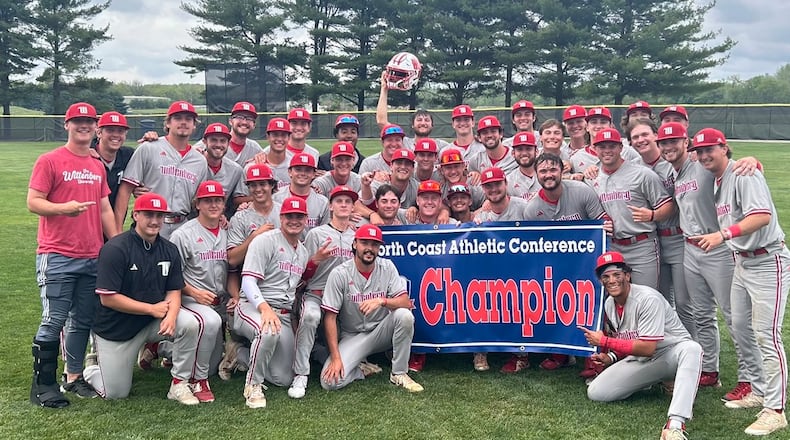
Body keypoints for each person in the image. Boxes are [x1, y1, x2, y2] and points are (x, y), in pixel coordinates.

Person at [689, 128, 789, 436]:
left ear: (724, 147)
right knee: (742, 328)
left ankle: (776, 409)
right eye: (701, 150)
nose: (706, 155)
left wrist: (722, 235)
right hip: (743, 261)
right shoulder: (720, 179)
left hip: (767, 259)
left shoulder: (743, 173)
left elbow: (761, 217)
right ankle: (758, 391)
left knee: (767, 335)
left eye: (711, 149)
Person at [657, 122, 764, 404]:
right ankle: (709, 370)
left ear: (685, 142)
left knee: (734, 316)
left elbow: (735, 168)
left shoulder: (701, 166)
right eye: (664, 143)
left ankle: (750, 379)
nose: (668, 147)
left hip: (717, 247)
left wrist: (752, 161)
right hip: (690, 248)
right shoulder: (674, 171)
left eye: (674, 142)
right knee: (701, 314)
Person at [27, 102, 118, 408]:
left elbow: (105, 207)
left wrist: (116, 243)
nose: (84, 126)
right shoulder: (50, 160)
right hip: (58, 254)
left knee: (82, 320)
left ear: (96, 127)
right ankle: (43, 385)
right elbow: (33, 202)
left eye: (89, 122)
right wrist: (62, 209)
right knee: (54, 320)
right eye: (77, 121)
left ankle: (74, 376)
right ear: (66, 124)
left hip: (92, 254)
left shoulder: (95, 165)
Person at [83, 193, 201, 404]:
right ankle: (94, 365)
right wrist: (150, 309)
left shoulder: (169, 249)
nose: (155, 221)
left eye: (159, 215)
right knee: (116, 393)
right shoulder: (116, 248)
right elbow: (108, 299)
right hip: (117, 328)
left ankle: (179, 384)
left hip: (151, 322)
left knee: (189, 324)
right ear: (135, 215)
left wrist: (172, 316)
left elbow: (174, 289)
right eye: (148, 214)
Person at [581, 251, 702, 440]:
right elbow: (628, 339)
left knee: (692, 349)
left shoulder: (648, 298)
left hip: (672, 354)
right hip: (645, 360)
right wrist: (610, 357)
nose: (611, 280)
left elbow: (647, 347)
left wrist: (604, 341)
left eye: (616, 274)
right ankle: (657, 381)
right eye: (606, 276)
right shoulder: (609, 304)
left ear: (627, 276)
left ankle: (675, 424)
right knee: (597, 392)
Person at [320, 224, 424, 393]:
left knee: (405, 316)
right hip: (352, 336)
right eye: (365, 243)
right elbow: (330, 317)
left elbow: (405, 302)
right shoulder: (340, 273)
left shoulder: (387, 267)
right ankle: (360, 369)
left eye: (375, 244)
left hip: (380, 332)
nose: (370, 248)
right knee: (329, 382)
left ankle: (399, 373)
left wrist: (382, 301)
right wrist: (336, 358)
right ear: (355, 244)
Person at [235, 197, 310, 409]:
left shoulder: (303, 252)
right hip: (252, 307)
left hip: (283, 315)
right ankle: (253, 385)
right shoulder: (265, 240)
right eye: (289, 216)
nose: (294, 220)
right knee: (267, 331)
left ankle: (239, 353)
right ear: (281, 217)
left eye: (299, 216)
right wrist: (264, 308)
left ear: (305, 219)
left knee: (283, 378)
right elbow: (248, 281)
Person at [289, 185, 359, 399]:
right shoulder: (316, 234)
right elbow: (300, 273)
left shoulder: (356, 237)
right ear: (331, 206)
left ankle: (357, 360)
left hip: (344, 297)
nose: (344, 204)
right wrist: (315, 260)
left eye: (348, 201)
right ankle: (301, 374)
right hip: (316, 293)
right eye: (339, 201)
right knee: (310, 317)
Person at [590, 128, 674, 290]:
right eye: (602, 146)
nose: (607, 150)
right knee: (617, 300)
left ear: (621, 148)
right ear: (595, 149)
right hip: (613, 246)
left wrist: (653, 215)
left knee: (647, 297)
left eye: (612, 146)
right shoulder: (593, 178)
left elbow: (668, 206)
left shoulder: (642, 174)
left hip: (642, 245)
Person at [168, 181, 228, 403]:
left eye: (218, 200)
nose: (213, 204)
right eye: (207, 200)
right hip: (189, 299)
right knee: (210, 322)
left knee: (212, 364)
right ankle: (193, 381)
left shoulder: (225, 232)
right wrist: (193, 292)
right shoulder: (183, 235)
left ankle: (164, 348)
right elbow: (171, 276)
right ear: (198, 204)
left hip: (217, 301)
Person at [114, 100, 209, 239]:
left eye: (188, 119)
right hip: (148, 222)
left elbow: (198, 201)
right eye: (178, 118)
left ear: (194, 125)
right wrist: (117, 231)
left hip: (183, 226)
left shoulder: (199, 161)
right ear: (168, 123)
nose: (183, 122)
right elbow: (125, 190)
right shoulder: (149, 148)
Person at [222, 164, 281, 380]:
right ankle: (238, 349)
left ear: (272, 186)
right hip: (250, 287)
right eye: (253, 185)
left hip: (279, 284)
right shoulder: (241, 218)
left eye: (262, 184)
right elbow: (232, 259)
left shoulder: (284, 212)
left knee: (283, 372)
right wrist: (254, 237)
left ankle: (240, 353)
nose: (258, 189)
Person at [375, 74, 451, 152]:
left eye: (427, 120)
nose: (423, 123)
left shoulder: (442, 146)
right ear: (412, 125)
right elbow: (381, 121)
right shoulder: (404, 143)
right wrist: (384, 89)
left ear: (432, 125)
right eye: (419, 120)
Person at [272, 153, 330, 238]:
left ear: (314, 174)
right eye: (298, 169)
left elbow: (324, 234)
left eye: (307, 170)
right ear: (290, 172)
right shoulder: (276, 198)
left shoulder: (322, 202)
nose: (303, 173)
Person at [200, 123, 246, 218]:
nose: (218, 145)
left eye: (223, 141)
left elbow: (236, 200)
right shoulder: (194, 163)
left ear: (228, 143)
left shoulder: (236, 170)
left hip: (221, 219)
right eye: (213, 140)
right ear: (204, 142)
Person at [92, 111, 136, 209]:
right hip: (89, 217)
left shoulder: (128, 155)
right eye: (110, 130)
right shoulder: (88, 154)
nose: (116, 135)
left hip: (115, 217)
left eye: (120, 131)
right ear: (99, 132)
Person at [225, 101, 264, 167]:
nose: (244, 122)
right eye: (239, 117)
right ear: (230, 121)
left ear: (254, 125)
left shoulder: (256, 149)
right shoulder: (211, 145)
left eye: (249, 118)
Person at [506, 131, 541, 200]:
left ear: (536, 151)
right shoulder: (508, 181)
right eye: (520, 149)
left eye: (528, 149)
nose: (524, 153)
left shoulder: (547, 174)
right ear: (513, 153)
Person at [262, 117, 295, 190]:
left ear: (289, 137)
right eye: (275, 135)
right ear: (268, 137)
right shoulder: (256, 163)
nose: (279, 139)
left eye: (283, 135)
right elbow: (239, 198)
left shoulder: (295, 166)